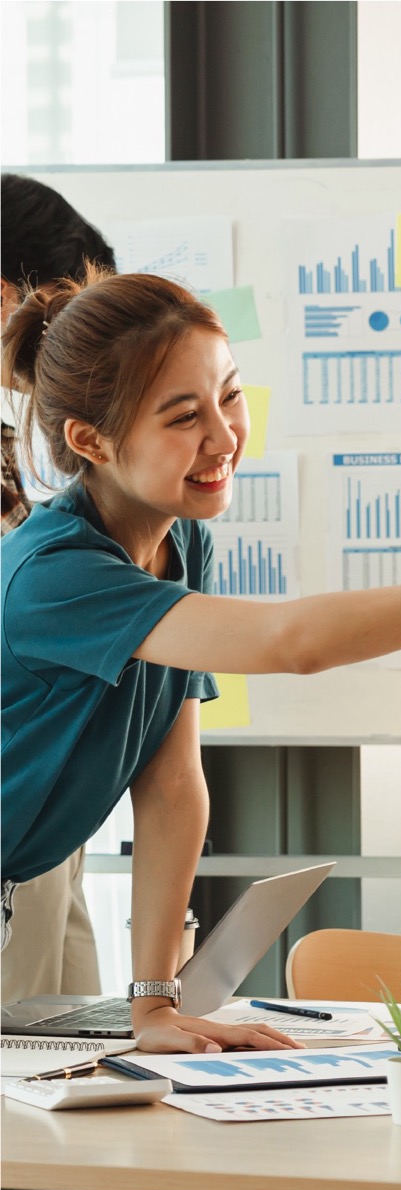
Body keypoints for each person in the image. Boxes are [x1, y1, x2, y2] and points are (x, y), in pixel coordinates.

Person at [0, 269, 401, 1056]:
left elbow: (172, 782)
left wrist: (154, 1003)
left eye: (231, 395)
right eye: (184, 417)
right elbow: (295, 643)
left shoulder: (182, 542)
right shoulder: (53, 574)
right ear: (91, 441)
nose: (223, 437)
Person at [0, 173, 117, 1002]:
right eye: (64, 310)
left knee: (73, 1041)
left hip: (51, 811)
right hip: (14, 810)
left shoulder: (19, 446)